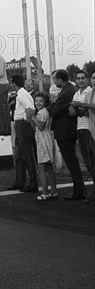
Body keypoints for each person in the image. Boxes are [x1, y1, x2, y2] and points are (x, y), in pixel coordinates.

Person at [48, 69, 86, 200]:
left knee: (71, 162)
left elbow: (56, 111)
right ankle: (79, 190)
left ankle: (80, 191)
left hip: (65, 132)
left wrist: (51, 103)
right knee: (72, 161)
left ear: (60, 79)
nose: (54, 82)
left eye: (55, 79)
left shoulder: (65, 92)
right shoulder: (71, 89)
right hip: (68, 130)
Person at [7, 74, 38, 192]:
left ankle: (33, 182)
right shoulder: (21, 93)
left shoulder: (22, 94)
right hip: (19, 124)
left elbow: (31, 108)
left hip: (23, 125)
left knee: (27, 154)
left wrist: (26, 119)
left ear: (14, 83)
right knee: (19, 155)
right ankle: (20, 181)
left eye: (11, 82)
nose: (10, 84)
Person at [69, 70, 95, 203]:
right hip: (80, 127)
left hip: (88, 128)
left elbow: (86, 111)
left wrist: (79, 106)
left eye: (83, 78)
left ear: (87, 79)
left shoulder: (89, 92)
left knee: (92, 161)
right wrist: (75, 108)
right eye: (78, 78)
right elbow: (77, 113)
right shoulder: (77, 93)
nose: (80, 80)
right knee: (88, 162)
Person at [27, 92, 57, 200]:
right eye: (36, 101)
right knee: (48, 167)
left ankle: (44, 192)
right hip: (42, 138)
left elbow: (40, 127)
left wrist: (33, 117)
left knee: (42, 167)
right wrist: (30, 118)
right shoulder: (40, 112)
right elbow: (34, 127)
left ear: (45, 102)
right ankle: (53, 191)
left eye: (40, 101)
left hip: (44, 139)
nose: (38, 103)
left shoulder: (42, 113)